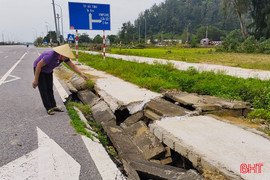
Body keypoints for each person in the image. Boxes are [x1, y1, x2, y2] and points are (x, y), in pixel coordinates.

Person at [32, 44, 88, 115]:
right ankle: (48, 108)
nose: (67, 58)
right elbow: (38, 66)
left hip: (48, 70)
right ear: (62, 54)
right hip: (39, 70)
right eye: (66, 56)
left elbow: (72, 66)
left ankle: (53, 106)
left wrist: (81, 73)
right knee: (43, 89)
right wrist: (36, 80)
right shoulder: (50, 56)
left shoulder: (64, 58)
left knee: (49, 88)